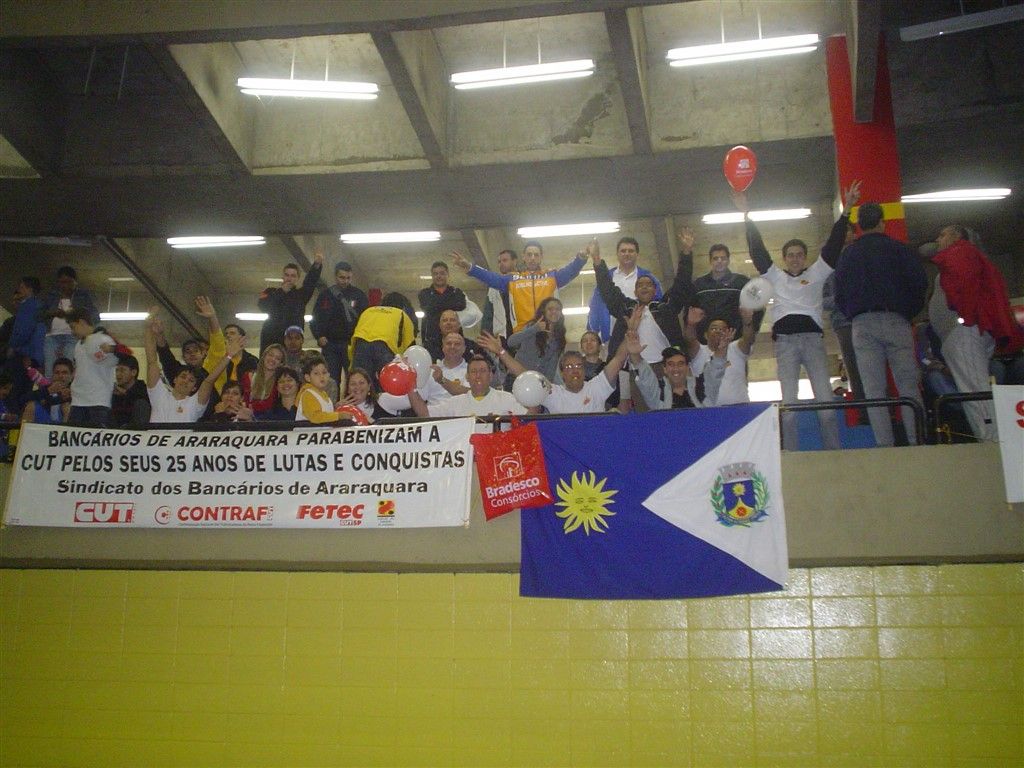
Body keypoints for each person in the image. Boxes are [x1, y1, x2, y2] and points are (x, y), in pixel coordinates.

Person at [737, 183, 860, 451]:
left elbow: (834, 245)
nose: (794, 259)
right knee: (789, 406)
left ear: (805, 258)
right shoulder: (775, 276)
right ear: (784, 258)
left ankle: (834, 453)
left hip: (813, 341)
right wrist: (746, 215)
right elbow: (758, 251)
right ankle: (791, 455)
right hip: (785, 344)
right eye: (790, 255)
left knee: (826, 404)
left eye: (799, 255)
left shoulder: (817, 273)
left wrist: (847, 211)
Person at [834, 201, 928, 446]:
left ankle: (885, 446)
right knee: (908, 386)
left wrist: (853, 314)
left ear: (859, 225)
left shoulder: (848, 255)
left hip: (862, 323)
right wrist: (908, 312)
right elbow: (919, 283)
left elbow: (839, 293)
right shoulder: (899, 249)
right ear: (881, 223)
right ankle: (917, 442)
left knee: (873, 390)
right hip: (896, 319)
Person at [926, 224, 1024, 441]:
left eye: (942, 234)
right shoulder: (960, 255)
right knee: (971, 387)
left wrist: (968, 316)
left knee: (974, 389)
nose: (938, 239)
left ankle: (991, 439)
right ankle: (989, 437)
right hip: (962, 333)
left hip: (964, 333)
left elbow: (966, 282)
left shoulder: (961, 252)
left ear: (956, 236)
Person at [482, 306, 644, 414]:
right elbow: (524, 374)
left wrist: (631, 330)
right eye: (569, 367)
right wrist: (500, 351)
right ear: (562, 373)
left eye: (578, 366)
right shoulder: (553, 393)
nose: (575, 370)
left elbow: (619, 358)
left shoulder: (597, 387)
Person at [592, 231, 695, 364]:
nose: (645, 287)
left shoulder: (666, 308)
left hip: (667, 367)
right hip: (634, 367)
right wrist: (596, 259)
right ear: (635, 292)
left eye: (648, 285)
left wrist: (686, 252)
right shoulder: (627, 309)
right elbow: (608, 290)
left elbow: (682, 284)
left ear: (655, 290)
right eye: (640, 285)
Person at [452, 239, 587, 333]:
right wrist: (470, 267)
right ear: (523, 257)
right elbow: (491, 277)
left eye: (536, 255)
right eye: (529, 254)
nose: (532, 258)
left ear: (541, 257)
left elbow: (570, 271)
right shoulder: (513, 279)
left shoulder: (552, 277)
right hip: (523, 334)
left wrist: (581, 258)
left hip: (550, 332)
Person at [144, 314, 230, 424]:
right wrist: (148, 328)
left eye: (191, 380)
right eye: (183, 377)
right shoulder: (159, 395)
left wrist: (229, 355)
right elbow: (152, 362)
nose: (185, 381)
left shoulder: (195, 404)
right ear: (175, 379)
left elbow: (209, 381)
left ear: (194, 388)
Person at [407, 354, 527, 421]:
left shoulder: (506, 399)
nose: (478, 375)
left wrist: (534, 397)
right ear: (467, 377)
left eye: (483, 371)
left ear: (491, 376)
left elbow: (529, 417)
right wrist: (409, 384)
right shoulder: (456, 402)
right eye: (473, 372)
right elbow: (425, 413)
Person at [587, 236, 662, 343]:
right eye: (623, 251)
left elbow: (659, 306)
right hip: (612, 337)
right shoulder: (606, 278)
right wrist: (594, 333)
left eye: (631, 251)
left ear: (637, 254)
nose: (627, 254)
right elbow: (595, 306)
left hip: (644, 336)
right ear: (617, 254)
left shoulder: (649, 279)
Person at [310, 260, 368, 385]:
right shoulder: (325, 295)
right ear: (335, 276)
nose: (345, 281)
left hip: (351, 344)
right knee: (330, 381)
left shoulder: (359, 295)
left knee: (353, 380)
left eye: (348, 278)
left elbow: (366, 319)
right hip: (329, 344)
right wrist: (318, 336)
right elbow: (315, 318)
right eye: (342, 277)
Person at [684, 308, 757, 407]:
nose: (718, 331)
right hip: (708, 410)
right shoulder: (699, 352)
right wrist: (690, 324)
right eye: (714, 328)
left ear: (730, 333)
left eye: (722, 329)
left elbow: (748, 340)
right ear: (706, 335)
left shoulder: (736, 348)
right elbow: (690, 340)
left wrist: (747, 322)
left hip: (740, 407)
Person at [257, 251, 324, 352]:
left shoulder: (301, 295)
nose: (289, 278)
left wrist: (316, 266)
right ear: (282, 277)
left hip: (293, 342)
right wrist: (282, 292)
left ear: (297, 278)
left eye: (293, 276)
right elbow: (263, 306)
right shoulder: (270, 292)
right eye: (287, 275)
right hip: (271, 339)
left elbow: (310, 282)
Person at [40, 266, 99, 377]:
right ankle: (50, 388)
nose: (65, 285)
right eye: (61, 282)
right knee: (50, 371)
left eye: (68, 282)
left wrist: (76, 313)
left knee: (67, 369)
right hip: (51, 336)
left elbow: (95, 316)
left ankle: (65, 388)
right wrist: (52, 313)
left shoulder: (84, 295)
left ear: (75, 282)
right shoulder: (51, 296)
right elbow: (39, 315)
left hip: (73, 337)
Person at [349, 292, 418, 386]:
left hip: (361, 345)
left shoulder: (368, 311)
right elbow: (410, 343)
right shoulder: (400, 313)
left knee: (360, 382)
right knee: (386, 383)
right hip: (384, 347)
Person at [195, 296, 259, 398]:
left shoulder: (253, 361)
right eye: (226, 334)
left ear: (242, 338)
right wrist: (212, 317)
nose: (228, 336)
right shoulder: (219, 353)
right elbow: (216, 334)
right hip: (216, 402)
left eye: (232, 333)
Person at [64, 308, 118, 427]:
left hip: (98, 401)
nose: (72, 332)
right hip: (78, 401)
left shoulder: (104, 340)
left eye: (73, 327)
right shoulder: (78, 345)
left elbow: (115, 360)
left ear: (82, 322)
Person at [692, 238, 749, 343]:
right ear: (710, 261)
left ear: (728, 260)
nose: (719, 261)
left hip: (735, 340)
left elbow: (755, 308)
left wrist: (749, 334)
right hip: (706, 342)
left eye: (723, 258)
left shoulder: (741, 282)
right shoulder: (699, 284)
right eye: (715, 258)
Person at [5, 277, 46, 406]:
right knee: (25, 389)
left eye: (22, 287)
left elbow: (23, 330)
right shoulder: (40, 307)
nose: (19, 290)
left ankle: (11, 414)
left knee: (13, 388)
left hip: (23, 352)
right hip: (34, 355)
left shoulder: (28, 306)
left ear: (30, 289)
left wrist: (12, 346)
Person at [506, 297, 566, 383]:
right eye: (550, 309)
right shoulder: (532, 326)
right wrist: (535, 329)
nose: (554, 312)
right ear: (544, 311)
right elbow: (511, 342)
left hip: (536, 383)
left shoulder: (559, 338)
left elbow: (552, 367)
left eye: (558, 309)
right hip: (516, 377)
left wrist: (547, 384)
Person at [418, 260, 467, 361]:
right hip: (431, 340)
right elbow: (427, 306)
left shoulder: (456, 292)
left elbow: (461, 305)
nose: (439, 276)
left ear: (447, 274)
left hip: (454, 340)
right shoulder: (424, 293)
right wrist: (450, 303)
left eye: (442, 273)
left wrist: (436, 304)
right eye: (435, 274)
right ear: (432, 276)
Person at [637, 345, 698, 410]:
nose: (676, 368)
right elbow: (645, 378)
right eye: (671, 364)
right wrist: (636, 356)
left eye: (680, 364)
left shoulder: (701, 387)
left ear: (687, 367)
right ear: (665, 369)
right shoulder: (658, 391)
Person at [296, 355, 350, 424]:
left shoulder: (323, 394)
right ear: (308, 377)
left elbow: (325, 415)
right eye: (316, 373)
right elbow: (315, 417)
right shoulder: (308, 394)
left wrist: (335, 408)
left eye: (324, 372)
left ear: (329, 375)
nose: (321, 376)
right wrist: (338, 416)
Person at [21, 357, 73, 425]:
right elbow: (23, 399)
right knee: (31, 406)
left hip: (63, 420)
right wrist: (48, 391)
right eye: (57, 373)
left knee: (67, 407)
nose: (60, 376)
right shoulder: (47, 388)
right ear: (53, 375)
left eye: (64, 373)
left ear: (71, 376)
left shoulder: (75, 390)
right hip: (45, 419)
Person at [481, 249, 517, 338]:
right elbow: (488, 313)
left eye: (505, 260)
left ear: (514, 261)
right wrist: (485, 335)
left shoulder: (524, 282)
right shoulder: (493, 287)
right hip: (501, 334)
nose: (501, 264)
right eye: (499, 262)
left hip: (520, 331)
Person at [109, 354, 151, 428]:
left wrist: (126, 393)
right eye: (116, 370)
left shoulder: (144, 390)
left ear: (133, 372)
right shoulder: (115, 392)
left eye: (122, 370)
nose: (118, 374)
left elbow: (142, 402)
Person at [249, 343, 286, 416]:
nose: (273, 359)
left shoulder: (281, 383)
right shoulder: (249, 376)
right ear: (264, 356)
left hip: (270, 421)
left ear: (281, 363)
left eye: (277, 358)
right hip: (246, 421)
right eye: (270, 355)